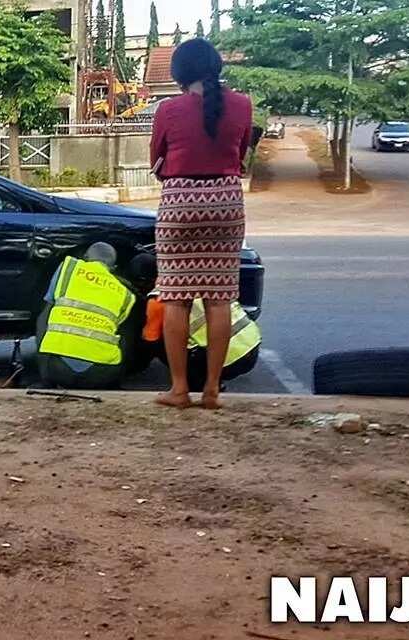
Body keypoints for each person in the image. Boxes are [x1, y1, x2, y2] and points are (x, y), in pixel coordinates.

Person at [148, 38, 253, 410]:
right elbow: (240, 157)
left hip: (179, 202)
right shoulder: (242, 105)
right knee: (219, 298)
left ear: (179, 74)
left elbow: (155, 158)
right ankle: (211, 389)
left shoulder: (168, 109)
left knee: (175, 297)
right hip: (225, 201)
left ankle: (179, 389)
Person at [36, 243, 136, 389]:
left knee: (45, 315)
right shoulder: (126, 294)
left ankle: (46, 381)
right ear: (113, 269)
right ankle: (116, 385)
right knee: (123, 331)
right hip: (102, 376)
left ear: (85, 258)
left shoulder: (69, 268)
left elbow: (44, 319)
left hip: (58, 371)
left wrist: (46, 376)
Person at [142, 292, 261, 391]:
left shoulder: (159, 298)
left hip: (228, 362)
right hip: (252, 347)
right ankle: (215, 382)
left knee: (163, 342)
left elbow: (150, 339)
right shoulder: (206, 281)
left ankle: (196, 385)